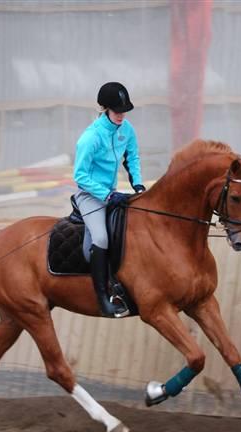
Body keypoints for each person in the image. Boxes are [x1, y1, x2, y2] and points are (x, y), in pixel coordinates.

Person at [73, 82, 146, 317]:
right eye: (117, 111)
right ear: (105, 109)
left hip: (114, 192)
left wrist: (138, 185)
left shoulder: (127, 129)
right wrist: (107, 195)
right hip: (90, 195)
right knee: (102, 238)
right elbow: (80, 176)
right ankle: (103, 298)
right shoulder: (90, 137)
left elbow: (132, 157)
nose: (121, 116)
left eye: (124, 111)